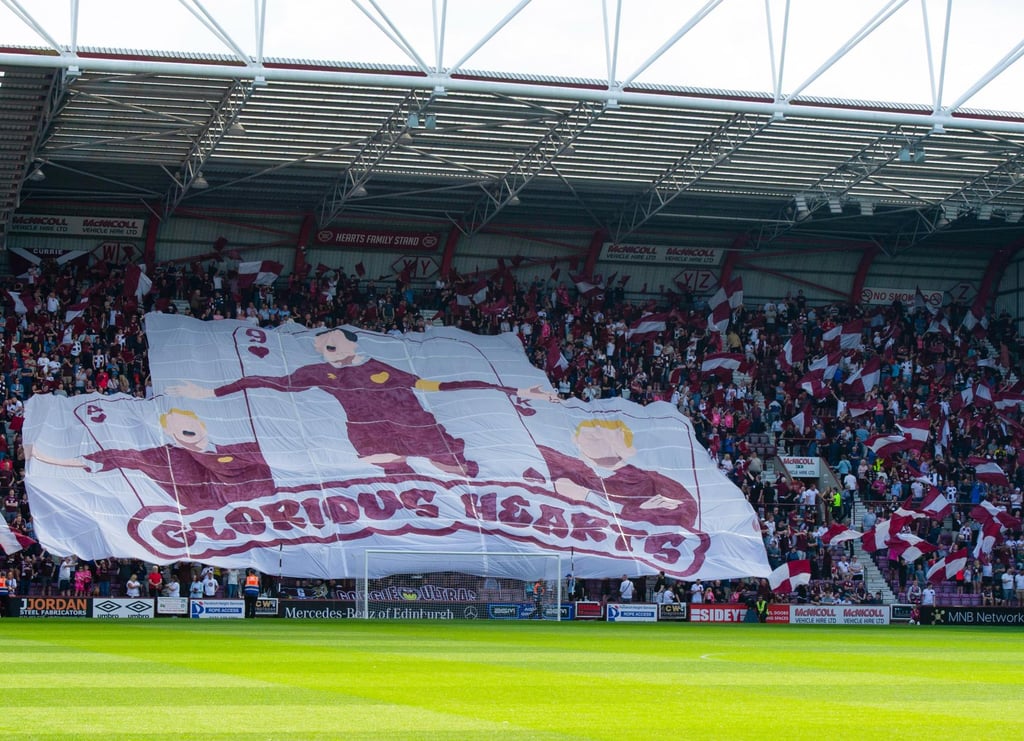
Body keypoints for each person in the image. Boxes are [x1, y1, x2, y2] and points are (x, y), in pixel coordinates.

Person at [167, 328, 556, 478]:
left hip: (417, 427)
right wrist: (212, 393)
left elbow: (449, 385)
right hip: (370, 435)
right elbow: (268, 380)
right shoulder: (317, 373)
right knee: (390, 472)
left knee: (460, 471)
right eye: (321, 348)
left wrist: (517, 391)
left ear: (352, 343)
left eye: (331, 344)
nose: (325, 352)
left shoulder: (386, 369)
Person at [30, 408, 275, 513]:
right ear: (171, 435)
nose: (186, 433)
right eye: (178, 430)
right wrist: (48, 458)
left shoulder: (245, 449)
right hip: (201, 520)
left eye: (189, 426)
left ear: (202, 426)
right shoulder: (163, 457)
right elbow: (115, 457)